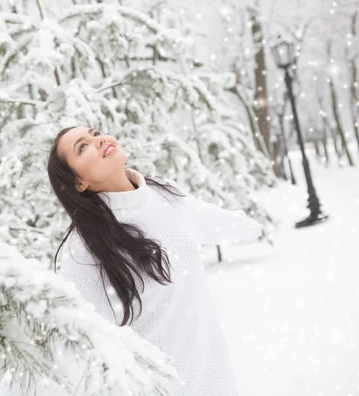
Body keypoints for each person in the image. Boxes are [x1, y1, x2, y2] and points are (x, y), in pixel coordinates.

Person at [46, 125, 262, 395]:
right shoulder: (84, 249)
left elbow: (206, 219)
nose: (98, 140)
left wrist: (250, 225)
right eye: (83, 146)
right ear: (79, 182)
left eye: (95, 133)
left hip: (215, 377)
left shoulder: (164, 193)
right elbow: (80, 344)